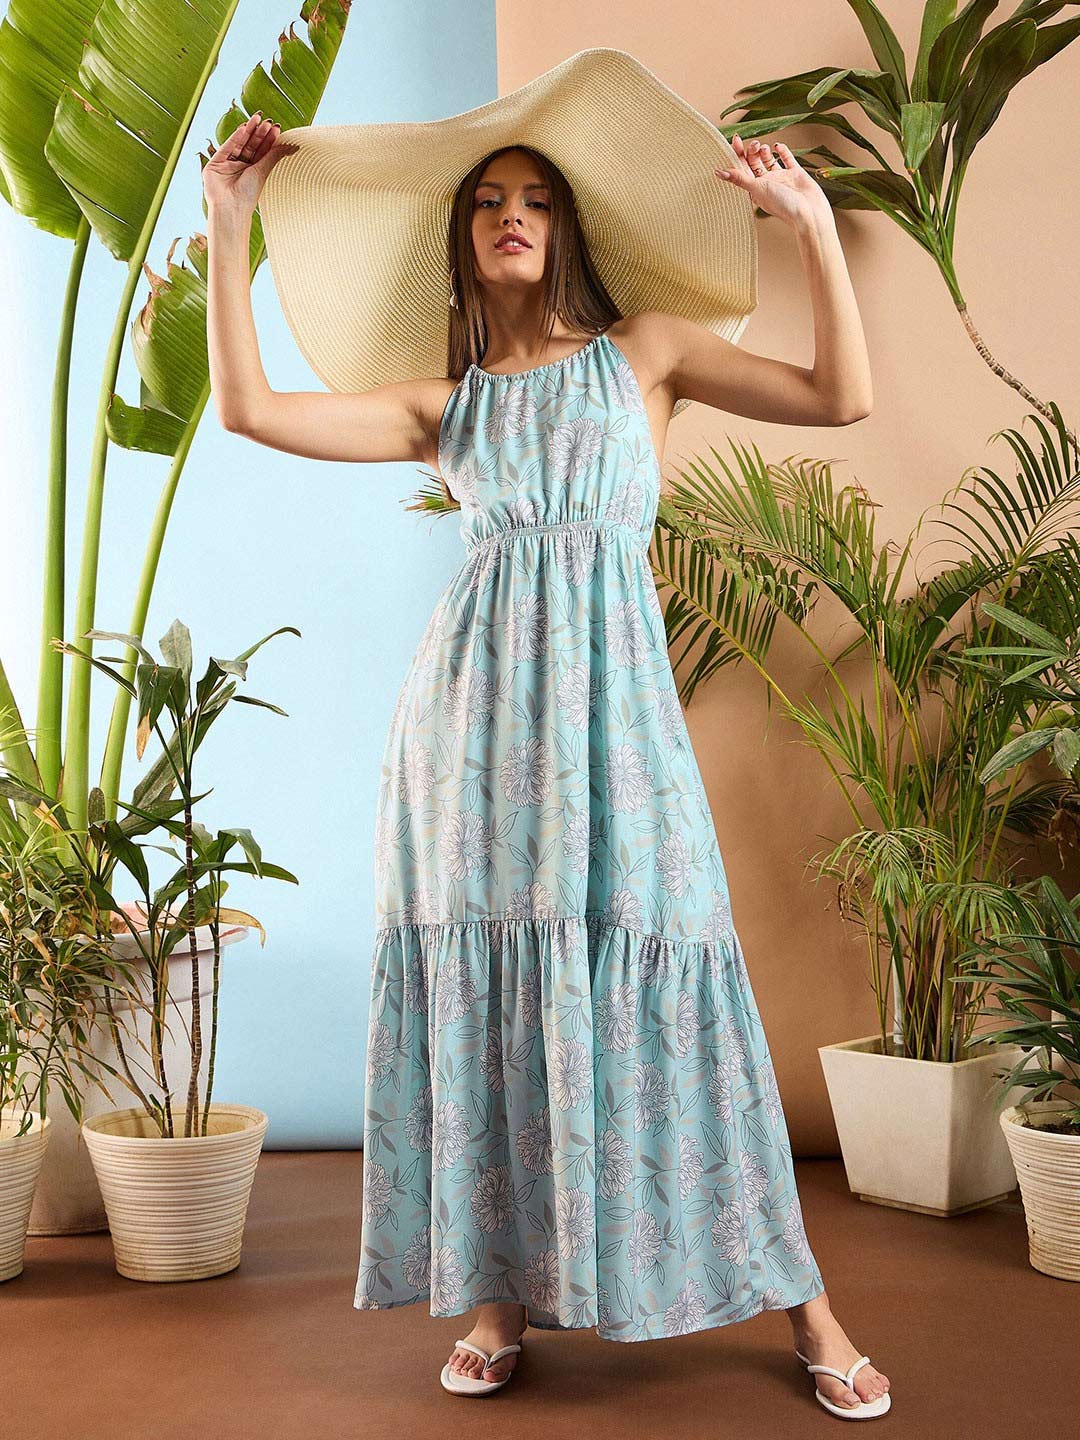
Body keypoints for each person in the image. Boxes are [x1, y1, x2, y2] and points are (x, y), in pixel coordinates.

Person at [203, 49, 888, 1421]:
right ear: (462, 240)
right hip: (470, 739)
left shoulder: (647, 355)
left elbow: (837, 397)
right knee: (496, 997)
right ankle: (495, 1298)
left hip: (617, 723)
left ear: (566, 228)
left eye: (534, 198)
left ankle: (808, 1304)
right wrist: (230, 227)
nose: (512, 214)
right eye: (487, 201)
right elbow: (249, 409)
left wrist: (812, 227)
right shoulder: (444, 409)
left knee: (672, 970)